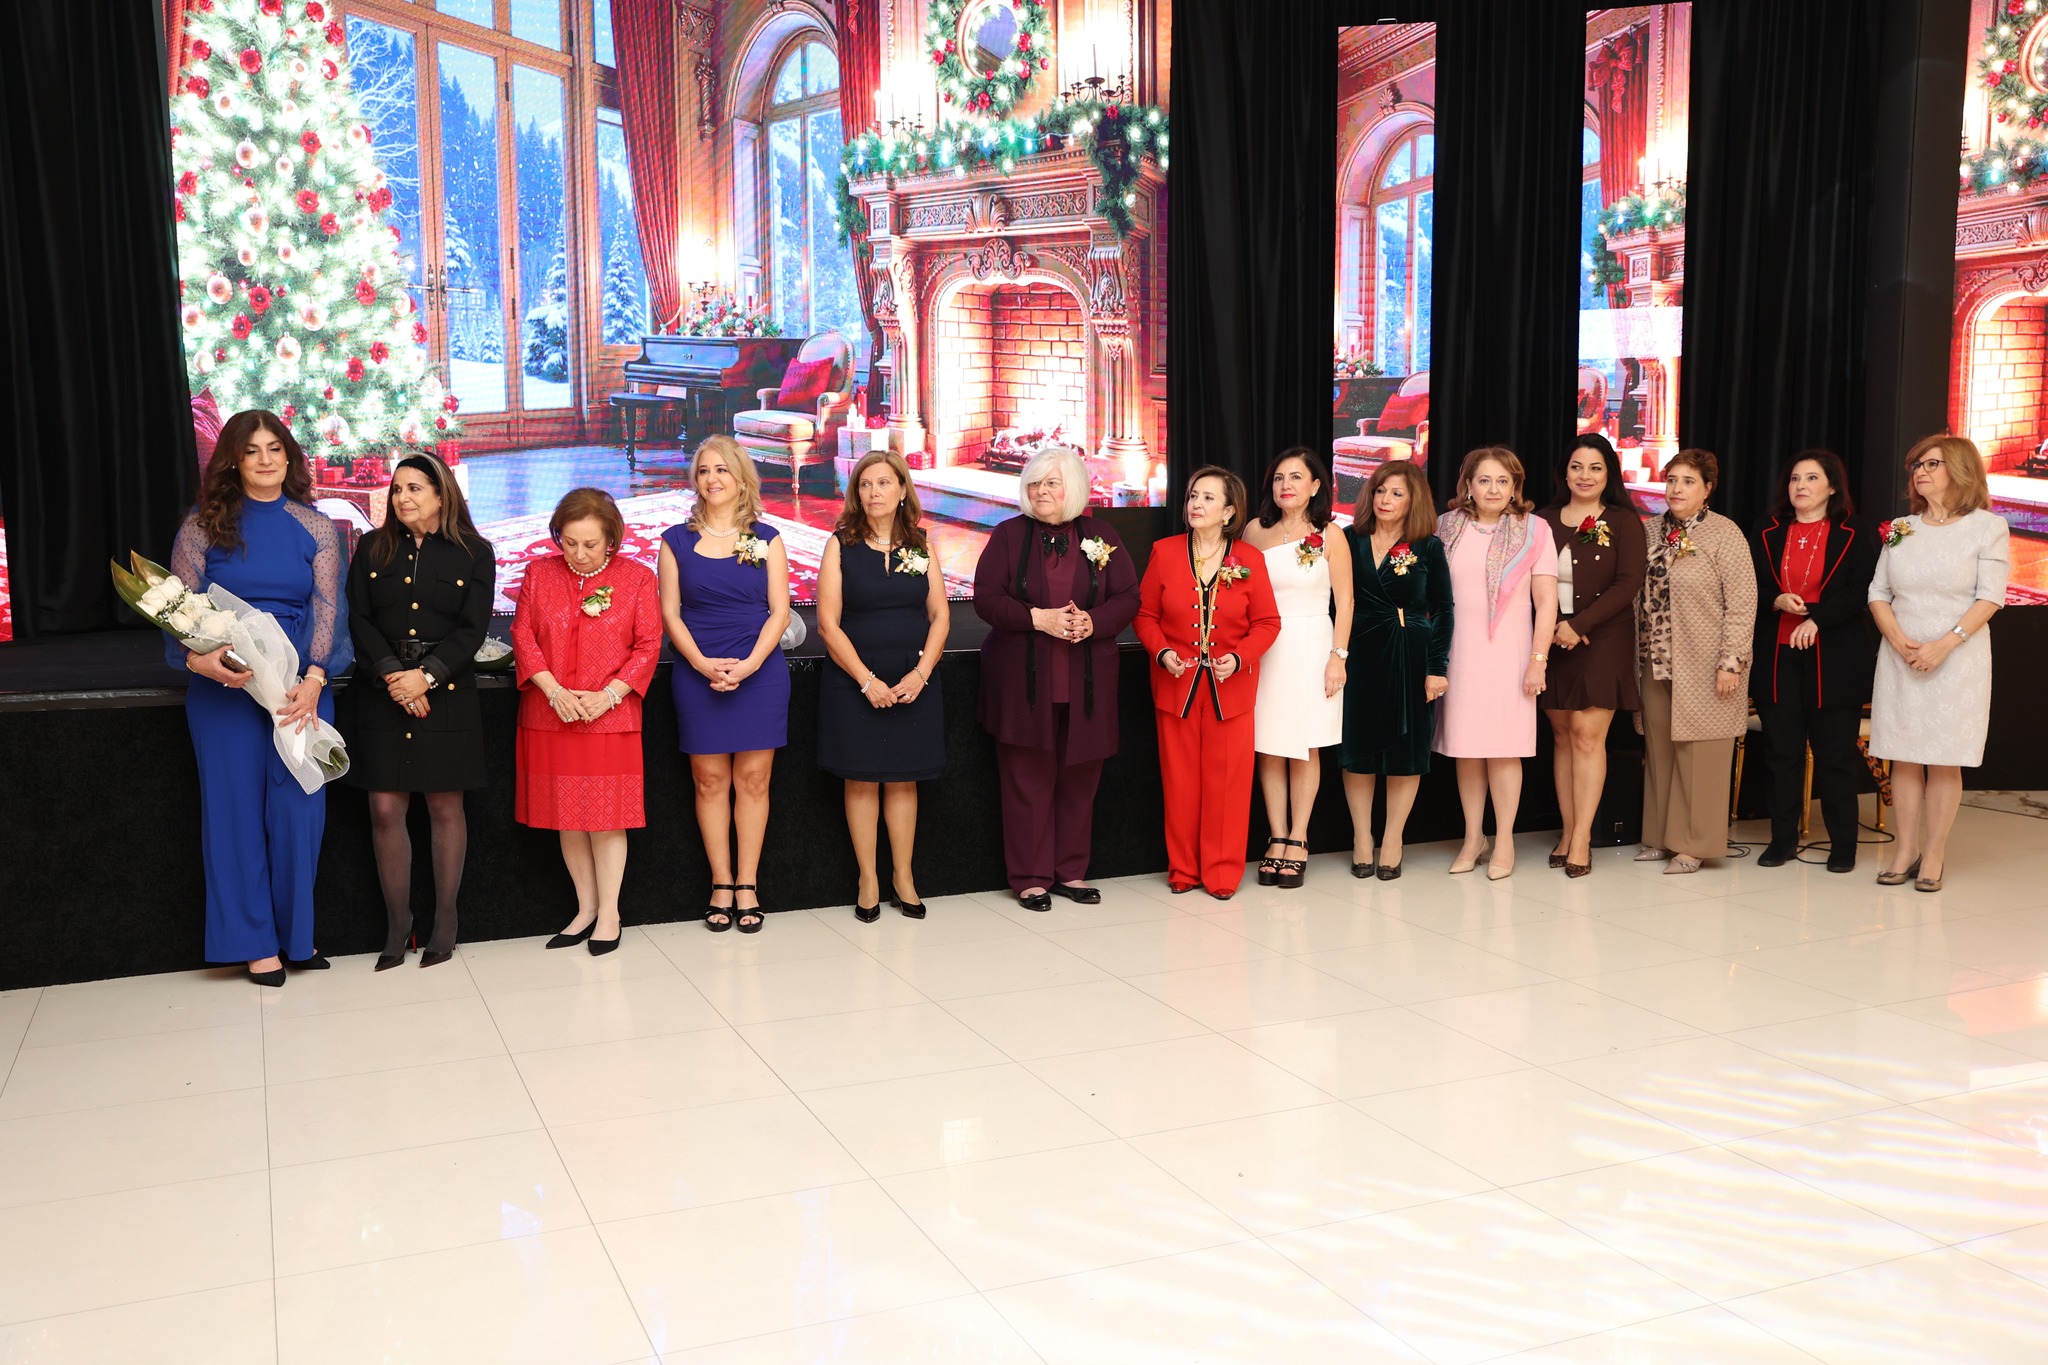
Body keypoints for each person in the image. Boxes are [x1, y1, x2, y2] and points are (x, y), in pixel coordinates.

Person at [169, 409, 352, 986]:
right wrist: (198, 660)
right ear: (233, 460)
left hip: (299, 689)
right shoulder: (202, 526)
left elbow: (329, 608)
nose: (266, 459)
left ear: (289, 457)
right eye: (252, 451)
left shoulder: (316, 527)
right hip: (224, 688)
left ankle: (297, 937)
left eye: (275, 448)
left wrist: (315, 678)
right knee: (235, 816)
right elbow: (178, 611)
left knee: (300, 814)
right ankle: (254, 944)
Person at [974, 444, 1141, 911]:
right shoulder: (1008, 535)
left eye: (1051, 483)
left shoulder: (1101, 534)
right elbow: (986, 597)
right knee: (1025, 780)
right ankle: (1030, 877)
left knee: (1080, 780)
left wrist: (1094, 622)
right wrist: (1037, 618)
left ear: (1075, 489)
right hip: (1022, 684)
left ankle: (1071, 871)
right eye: (1034, 483)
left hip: (1087, 683)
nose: (1040, 491)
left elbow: (1128, 596)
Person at [344, 454, 495, 969]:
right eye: (396, 489)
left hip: (445, 690)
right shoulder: (372, 546)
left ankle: (445, 920)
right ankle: (397, 923)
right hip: (382, 689)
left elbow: (472, 630)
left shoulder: (475, 551)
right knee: (385, 808)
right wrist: (395, 676)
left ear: (440, 492)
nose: (402, 498)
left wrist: (425, 676)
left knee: (445, 807)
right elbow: (359, 619)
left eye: (414, 488)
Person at [512, 488, 662, 953]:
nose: (578, 554)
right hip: (551, 711)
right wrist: (553, 691)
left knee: (606, 817)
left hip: (609, 716)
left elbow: (648, 644)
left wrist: (609, 696)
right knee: (568, 817)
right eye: (569, 542)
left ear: (611, 539)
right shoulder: (539, 573)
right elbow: (523, 635)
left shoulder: (637, 578)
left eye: (590, 544)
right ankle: (585, 908)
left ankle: (610, 913)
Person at [658, 436, 792, 933]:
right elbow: (670, 614)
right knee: (709, 781)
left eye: (721, 470)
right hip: (698, 672)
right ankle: (720, 883)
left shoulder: (768, 538)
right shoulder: (674, 540)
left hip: (760, 673)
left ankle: (748, 884)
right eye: (703, 470)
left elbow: (780, 612)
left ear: (741, 478)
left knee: (754, 781)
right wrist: (700, 664)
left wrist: (750, 665)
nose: (712, 479)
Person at [1868, 434, 2009, 891]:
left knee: (1945, 759)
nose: (1920, 472)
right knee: (1905, 756)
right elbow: (1878, 592)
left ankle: (1934, 853)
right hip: (1901, 656)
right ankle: (1905, 849)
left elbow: (1990, 597)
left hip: (1957, 659)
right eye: (1917, 465)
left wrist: (1944, 645)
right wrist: (1899, 641)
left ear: (1960, 471)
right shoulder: (1901, 527)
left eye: (1932, 464)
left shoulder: (1988, 527)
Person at [1135, 467, 1282, 899]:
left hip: (1230, 690)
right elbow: (1145, 615)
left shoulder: (1249, 559)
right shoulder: (1164, 552)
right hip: (1177, 686)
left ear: (1229, 511)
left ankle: (1221, 873)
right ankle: (1183, 869)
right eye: (1193, 496)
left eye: (1208, 498)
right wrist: (1162, 652)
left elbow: (1268, 623)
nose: (1196, 504)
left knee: (1228, 786)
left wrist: (1238, 658)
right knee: (1179, 783)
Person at [816, 450, 949, 921]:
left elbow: (940, 615)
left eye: (884, 483)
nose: (874, 492)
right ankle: (868, 879)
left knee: (903, 779)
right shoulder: (840, 544)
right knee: (862, 779)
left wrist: (921, 673)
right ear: (857, 492)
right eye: (866, 484)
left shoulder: (921, 544)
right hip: (855, 680)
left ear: (902, 490)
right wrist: (866, 680)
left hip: (913, 680)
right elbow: (828, 625)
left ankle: (903, 877)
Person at [1749, 449, 1878, 874]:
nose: (1800, 486)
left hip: (1834, 658)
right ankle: (1783, 840)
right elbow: (1749, 585)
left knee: (1834, 755)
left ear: (1833, 487)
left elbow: (1862, 589)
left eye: (1811, 478)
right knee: (1781, 752)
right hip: (1777, 656)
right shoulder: (1767, 530)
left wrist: (1818, 618)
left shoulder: (1856, 531)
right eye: (1794, 478)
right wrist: (1775, 600)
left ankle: (1844, 844)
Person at [1433, 448, 1559, 880]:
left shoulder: (1535, 529)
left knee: (1505, 750)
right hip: (1459, 652)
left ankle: (1504, 838)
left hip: (1511, 653)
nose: (1493, 489)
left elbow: (1546, 603)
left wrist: (1538, 660)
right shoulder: (1445, 526)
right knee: (1466, 749)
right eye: (1484, 480)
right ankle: (1474, 837)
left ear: (1515, 487)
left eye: (1503, 481)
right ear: (1468, 485)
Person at [1634, 449, 1756, 873]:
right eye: (1671, 480)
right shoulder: (1649, 530)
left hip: (1706, 663)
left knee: (1702, 754)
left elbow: (1742, 602)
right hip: (1654, 661)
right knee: (1660, 751)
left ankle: (1694, 845)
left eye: (1688, 481)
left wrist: (1731, 661)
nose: (1676, 489)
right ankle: (1658, 837)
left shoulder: (1724, 533)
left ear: (1707, 489)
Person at [1241, 447, 1353, 888]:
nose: (1285, 485)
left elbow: (1346, 601)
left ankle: (1299, 837)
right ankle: (1276, 835)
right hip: (1265, 646)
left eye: (1295, 477)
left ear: (1315, 486)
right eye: (1278, 478)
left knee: (1306, 745)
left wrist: (1337, 656)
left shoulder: (1331, 534)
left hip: (1312, 644)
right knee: (1269, 744)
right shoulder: (1255, 530)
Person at [1537, 434, 1646, 877]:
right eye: (1577, 467)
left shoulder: (1623, 521)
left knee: (1587, 735)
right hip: (1552, 639)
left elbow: (1628, 583)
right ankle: (1567, 831)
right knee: (1562, 736)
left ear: (1609, 475)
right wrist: (1554, 629)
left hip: (1603, 640)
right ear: (1564, 473)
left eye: (1596, 468)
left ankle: (1583, 837)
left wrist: (1579, 625)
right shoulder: (1542, 521)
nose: (1585, 476)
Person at [1340, 460, 1452, 880]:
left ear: (1413, 500)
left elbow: (1443, 609)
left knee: (1406, 750)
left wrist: (1437, 667)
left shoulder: (1428, 546)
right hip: (1359, 652)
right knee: (1358, 749)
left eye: (1397, 493)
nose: (1385, 500)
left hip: (1410, 652)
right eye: (1380, 491)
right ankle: (1361, 837)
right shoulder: (1349, 539)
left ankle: (1392, 839)